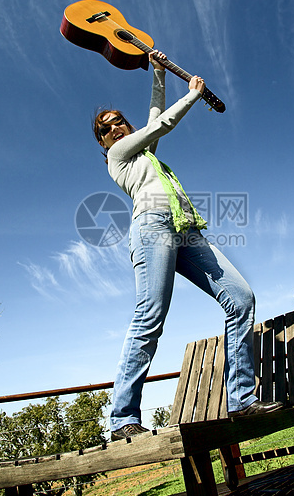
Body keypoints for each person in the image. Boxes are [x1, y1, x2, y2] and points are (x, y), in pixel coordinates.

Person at [93, 51, 282, 441]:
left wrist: (159, 73)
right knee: (150, 317)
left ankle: (242, 398)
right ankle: (122, 418)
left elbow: (153, 118)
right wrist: (193, 95)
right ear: (103, 141)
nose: (115, 128)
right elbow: (160, 124)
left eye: (118, 121)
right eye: (106, 128)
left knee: (241, 298)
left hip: (185, 229)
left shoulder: (143, 152)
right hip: (151, 228)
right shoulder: (119, 156)